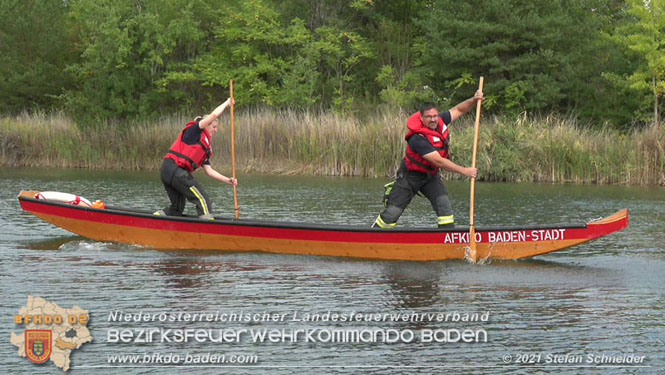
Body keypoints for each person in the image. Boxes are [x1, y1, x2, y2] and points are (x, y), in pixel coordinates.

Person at [373, 91, 483, 229]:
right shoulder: (417, 138)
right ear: (422, 118)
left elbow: (459, 109)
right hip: (409, 178)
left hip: (430, 177)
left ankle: (446, 243)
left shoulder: (440, 121)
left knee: (445, 211)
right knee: (391, 214)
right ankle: (372, 239)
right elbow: (438, 161)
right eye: (429, 117)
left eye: (435, 116)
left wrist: (474, 99)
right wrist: (465, 171)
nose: (433, 119)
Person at [154, 98, 237, 220]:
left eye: (217, 127)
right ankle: (207, 226)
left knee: (177, 209)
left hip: (168, 172)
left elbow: (209, 171)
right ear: (206, 124)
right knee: (202, 198)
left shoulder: (204, 148)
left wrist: (228, 180)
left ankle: (155, 219)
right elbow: (214, 114)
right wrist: (227, 103)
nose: (216, 130)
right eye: (214, 126)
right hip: (174, 170)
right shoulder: (195, 131)